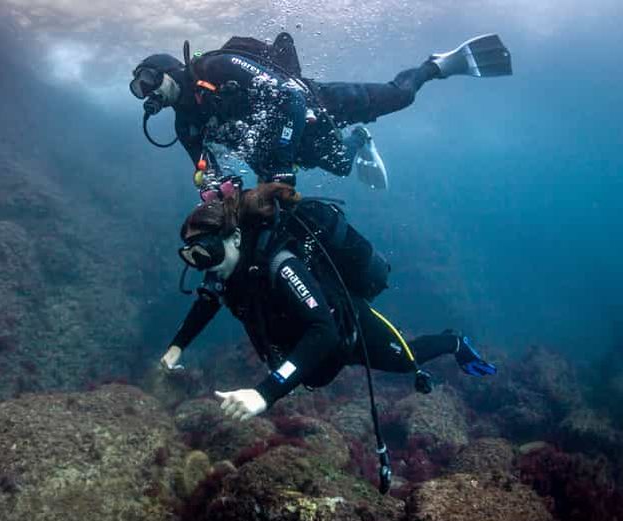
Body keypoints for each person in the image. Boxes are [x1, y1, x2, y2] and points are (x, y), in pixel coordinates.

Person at [160, 183, 497, 423]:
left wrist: (265, 393)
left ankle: (455, 342)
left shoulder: (281, 265)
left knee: (406, 359)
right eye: (193, 256)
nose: (203, 265)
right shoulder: (226, 270)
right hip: (311, 351)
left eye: (208, 252)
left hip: (349, 333)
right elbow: (207, 302)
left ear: (235, 238)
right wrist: (176, 348)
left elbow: (324, 331)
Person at [130, 33, 512, 199]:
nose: (148, 94)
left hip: (319, 103)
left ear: (168, 70)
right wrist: (220, 194)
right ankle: (360, 139)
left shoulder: (216, 66)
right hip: (287, 147)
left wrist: (281, 161)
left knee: (399, 96)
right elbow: (209, 173)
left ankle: (436, 66)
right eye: (139, 91)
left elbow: (291, 98)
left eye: (148, 81)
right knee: (342, 165)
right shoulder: (186, 124)